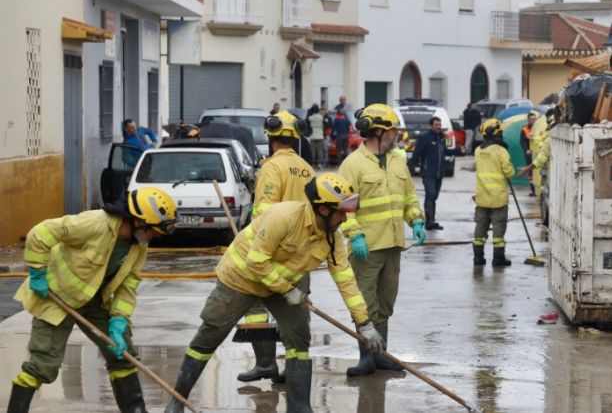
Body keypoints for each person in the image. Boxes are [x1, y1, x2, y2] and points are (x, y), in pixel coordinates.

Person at [162, 174, 384, 413]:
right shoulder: (284, 217)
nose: (344, 218)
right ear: (322, 209)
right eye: (340, 212)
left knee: (299, 336)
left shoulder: (332, 239)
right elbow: (256, 262)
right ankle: (177, 400)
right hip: (241, 278)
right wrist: (289, 291)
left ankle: (299, 407)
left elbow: (346, 281)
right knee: (209, 336)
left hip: (281, 286)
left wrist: (364, 324)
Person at [8, 188, 178, 413]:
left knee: (124, 355)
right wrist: (37, 271)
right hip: (55, 297)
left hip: (94, 301)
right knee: (42, 366)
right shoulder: (95, 223)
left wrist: (119, 321)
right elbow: (42, 233)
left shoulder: (139, 247)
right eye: (154, 231)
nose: (156, 237)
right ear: (138, 221)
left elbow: (128, 285)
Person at [339, 104, 426, 377]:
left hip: (392, 244)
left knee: (386, 302)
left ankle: (381, 354)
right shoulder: (353, 164)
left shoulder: (398, 160)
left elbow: (408, 196)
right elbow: (343, 207)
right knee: (365, 304)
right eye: (391, 130)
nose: (396, 135)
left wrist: (416, 220)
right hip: (366, 247)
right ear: (375, 131)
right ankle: (366, 356)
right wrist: (355, 236)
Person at [236, 110, 317, 386]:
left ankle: (266, 363)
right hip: (301, 254)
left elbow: (264, 213)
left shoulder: (272, 166)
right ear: (294, 138)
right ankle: (294, 370)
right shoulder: (307, 168)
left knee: (257, 305)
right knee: (294, 312)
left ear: (271, 137)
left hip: (273, 252)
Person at [407, 116, 465, 230]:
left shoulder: (441, 138)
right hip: (428, 172)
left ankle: (432, 221)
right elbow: (417, 153)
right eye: (436, 125)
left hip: (439, 173)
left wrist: (458, 150)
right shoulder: (425, 138)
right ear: (431, 126)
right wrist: (410, 168)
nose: (438, 127)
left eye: (439, 125)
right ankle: (429, 222)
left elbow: (445, 152)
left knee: (434, 197)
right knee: (431, 195)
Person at [473, 118, 514, 267]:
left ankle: (478, 257)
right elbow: (509, 173)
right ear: (497, 133)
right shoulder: (501, 151)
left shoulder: (478, 151)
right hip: (498, 199)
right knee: (498, 229)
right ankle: (498, 259)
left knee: (480, 227)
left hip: (482, 198)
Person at [519, 112, 537, 196]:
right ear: (528, 120)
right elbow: (522, 141)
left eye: (534, 119)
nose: (533, 120)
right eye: (531, 119)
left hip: (538, 153)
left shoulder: (539, 128)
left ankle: (538, 189)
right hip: (529, 153)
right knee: (530, 171)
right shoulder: (525, 129)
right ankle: (533, 189)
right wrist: (526, 149)